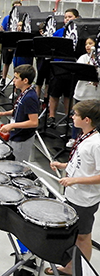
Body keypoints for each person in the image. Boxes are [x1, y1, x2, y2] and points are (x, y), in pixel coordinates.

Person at [46, 100, 100, 276]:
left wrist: (75, 180)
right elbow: (81, 162)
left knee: (83, 236)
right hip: (73, 195)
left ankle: (81, 271)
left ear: (86, 119)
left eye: (76, 115)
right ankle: (71, 267)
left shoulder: (97, 144)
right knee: (74, 234)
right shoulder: (85, 135)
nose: (72, 117)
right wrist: (63, 166)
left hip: (85, 199)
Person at [0, 64, 39, 162]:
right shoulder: (24, 93)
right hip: (16, 134)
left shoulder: (30, 97)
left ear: (25, 80)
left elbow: (34, 122)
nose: (13, 80)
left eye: (16, 78)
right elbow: (18, 109)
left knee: (17, 166)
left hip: (22, 139)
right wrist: (2, 114)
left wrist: (12, 125)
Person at [47, 8, 80, 128]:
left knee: (68, 95)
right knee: (54, 93)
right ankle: (51, 117)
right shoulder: (59, 32)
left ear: (76, 18)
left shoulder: (79, 33)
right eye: (65, 17)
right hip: (58, 66)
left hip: (72, 67)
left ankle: (68, 117)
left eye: (70, 17)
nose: (67, 19)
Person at [67, 36, 100, 148]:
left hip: (94, 95)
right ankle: (74, 138)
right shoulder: (83, 58)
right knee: (77, 117)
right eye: (86, 44)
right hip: (81, 93)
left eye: (90, 43)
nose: (87, 46)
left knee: (92, 121)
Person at [0, 0, 23, 87]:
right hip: (9, 42)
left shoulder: (23, 18)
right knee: (6, 61)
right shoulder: (7, 18)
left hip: (18, 43)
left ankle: (16, 79)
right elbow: (2, 27)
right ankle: (3, 78)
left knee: (16, 63)